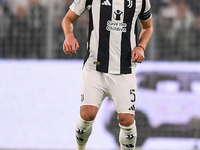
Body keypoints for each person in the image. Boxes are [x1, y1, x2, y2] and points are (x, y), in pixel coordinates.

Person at [62, 0, 153, 149]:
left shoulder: (141, 1)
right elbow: (68, 19)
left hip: (124, 70)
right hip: (95, 68)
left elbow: (148, 27)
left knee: (127, 121)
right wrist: (69, 36)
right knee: (87, 115)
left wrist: (141, 47)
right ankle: (80, 148)